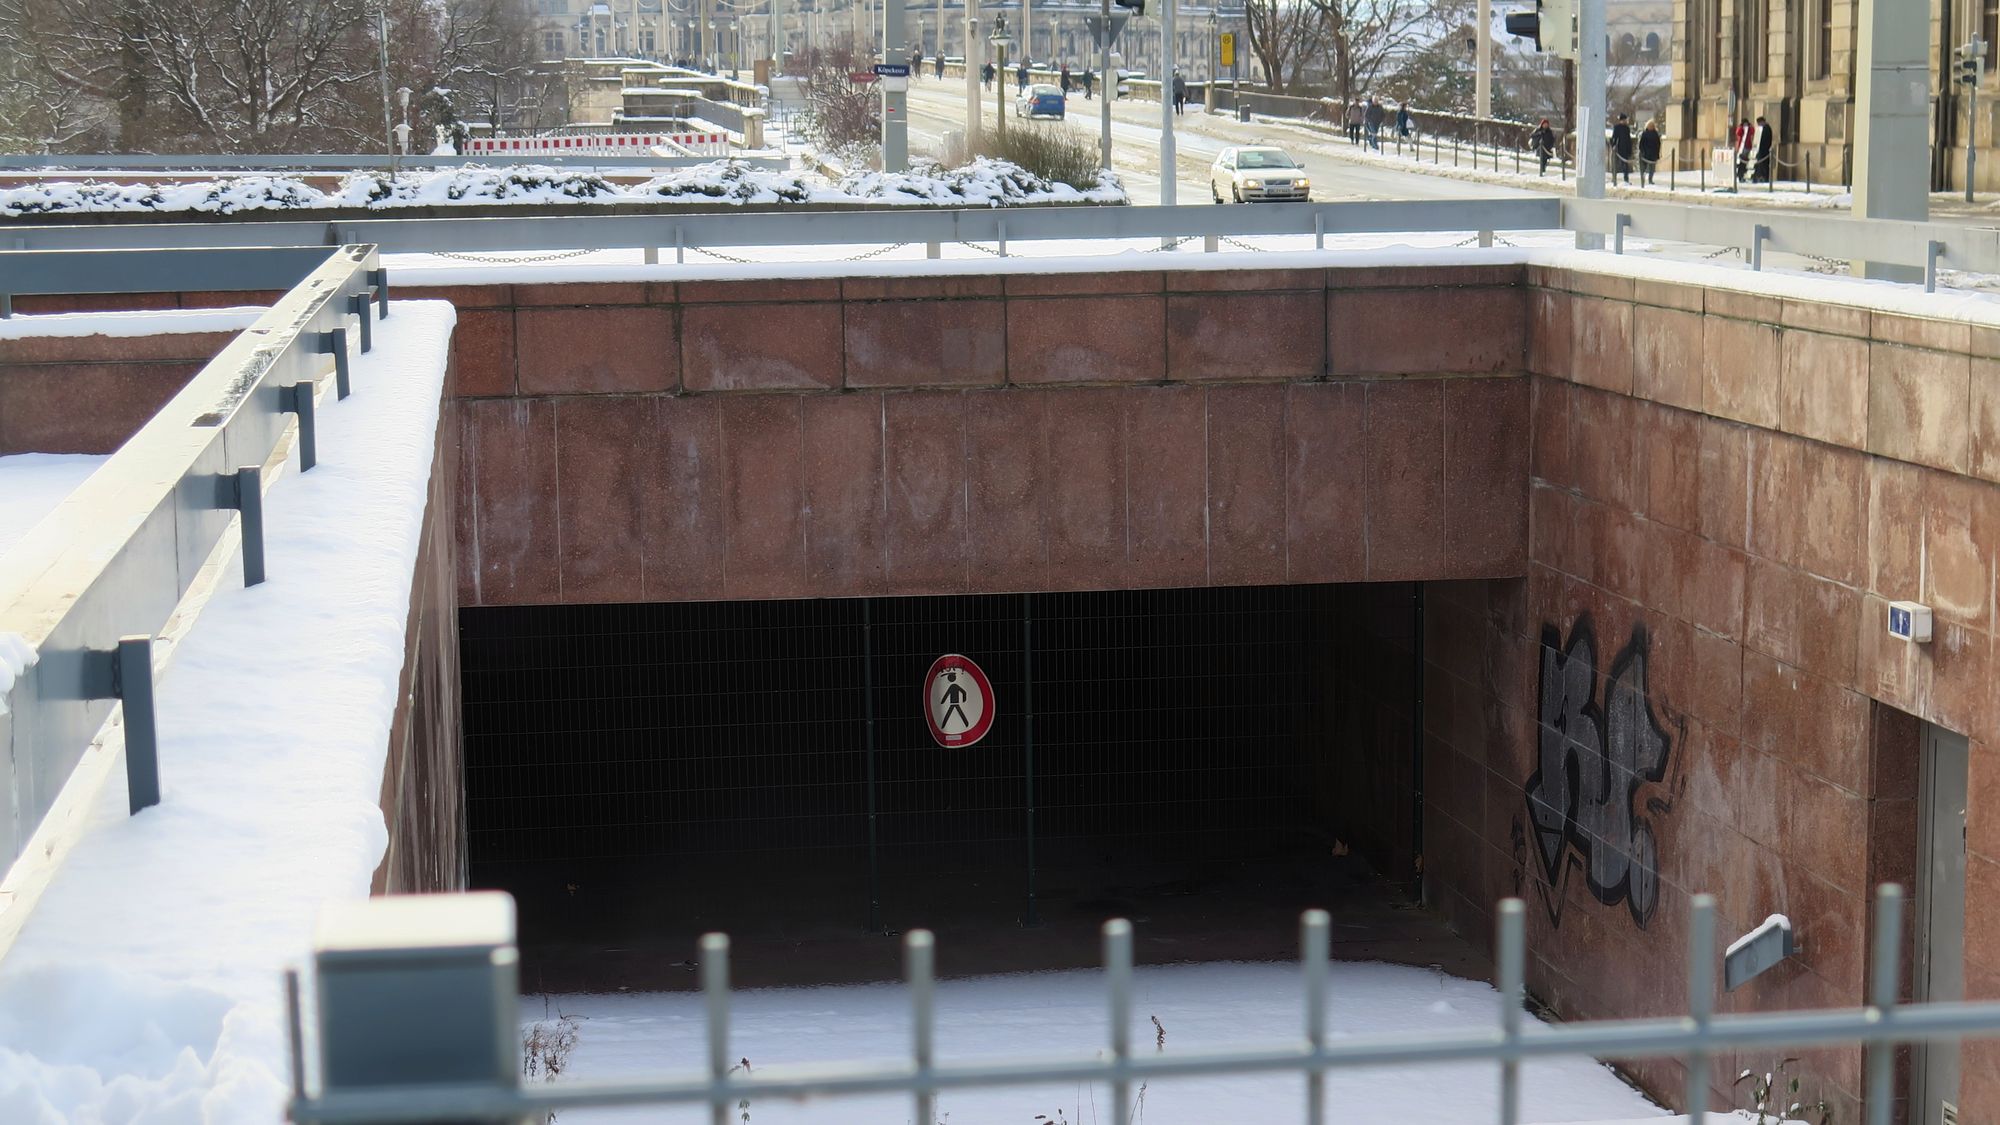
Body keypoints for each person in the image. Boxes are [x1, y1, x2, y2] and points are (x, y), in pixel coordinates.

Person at [1610, 112, 1633, 184]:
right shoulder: (1617, 128)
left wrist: (1630, 149)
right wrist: (1613, 145)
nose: (1625, 121)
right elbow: (1614, 137)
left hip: (1625, 148)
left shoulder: (1627, 128)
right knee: (1615, 164)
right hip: (1618, 149)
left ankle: (1626, 179)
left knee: (1625, 165)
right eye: (1624, 120)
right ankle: (1614, 178)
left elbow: (1628, 139)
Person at [1638, 118, 1661, 185]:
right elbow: (1658, 144)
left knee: (1648, 168)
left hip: (1647, 154)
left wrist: (1642, 151)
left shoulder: (1646, 133)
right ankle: (1649, 180)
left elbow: (1641, 144)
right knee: (1651, 169)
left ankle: (1647, 179)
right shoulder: (1654, 134)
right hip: (1649, 154)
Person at [1752, 115, 1774, 183]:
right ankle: (1761, 176)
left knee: (1764, 164)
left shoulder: (1766, 128)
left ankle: (1764, 177)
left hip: (1764, 150)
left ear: (1762, 122)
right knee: (1761, 164)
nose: (1758, 125)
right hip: (1762, 149)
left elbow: (1764, 140)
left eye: (1759, 123)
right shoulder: (1764, 128)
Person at [1732, 117, 1752, 183]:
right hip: (1741, 147)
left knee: (1745, 162)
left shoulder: (1750, 129)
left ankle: (1742, 174)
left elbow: (1752, 131)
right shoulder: (1741, 129)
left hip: (1747, 147)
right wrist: (1741, 127)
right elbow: (1738, 133)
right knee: (1741, 162)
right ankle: (1740, 174)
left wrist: (1749, 127)